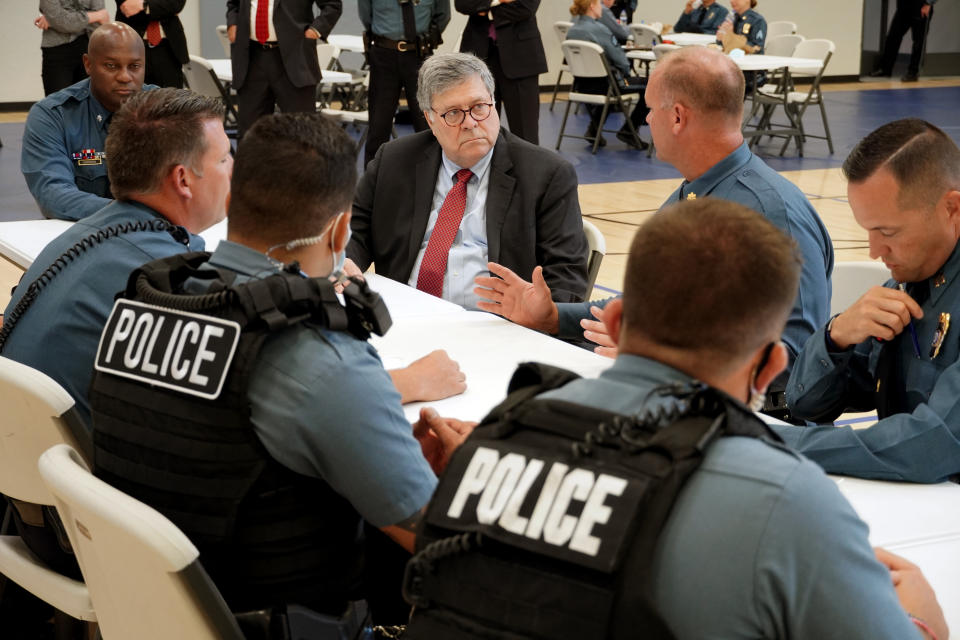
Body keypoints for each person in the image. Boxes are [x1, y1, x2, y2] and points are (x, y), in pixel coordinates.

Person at [412, 198, 949, 640]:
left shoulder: (500, 432)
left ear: (615, 322)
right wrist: (924, 623)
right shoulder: (784, 502)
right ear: (771, 365)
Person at [88, 112, 473, 627]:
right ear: (341, 232)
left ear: (231, 203)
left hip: (143, 607)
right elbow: (436, 542)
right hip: (274, 618)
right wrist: (475, 477)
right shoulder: (323, 359)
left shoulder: (147, 299)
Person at [476, 46, 832, 375]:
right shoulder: (692, 194)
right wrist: (552, 317)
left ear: (677, 117)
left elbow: (799, 361)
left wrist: (663, 361)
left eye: (650, 109)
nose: (646, 120)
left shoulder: (773, 214)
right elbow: (642, 310)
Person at [3, 88, 229, 427]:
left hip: (25, 453)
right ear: (183, 179)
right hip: (78, 470)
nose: (233, 169)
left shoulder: (78, 237)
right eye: (224, 158)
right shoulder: (166, 278)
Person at [775, 118, 960, 484]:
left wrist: (776, 443)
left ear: (951, 208)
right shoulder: (910, 282)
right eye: (869, 231)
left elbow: (933, 444)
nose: (875, 251)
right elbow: (808, 404)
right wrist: (836, 337)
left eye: (888, 232)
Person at [349, 52, 589, 309]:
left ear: (493, 102)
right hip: (407, 316)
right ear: (430, 118)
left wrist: (537, 311)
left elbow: (567, 280)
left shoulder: (546, 175)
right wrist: (343, 262)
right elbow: (354, 234)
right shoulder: (394, 161)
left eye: (479, 107)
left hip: (501, 327)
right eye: (453, 113)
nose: (470, 123)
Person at [20, 22, 147, 221]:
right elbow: (53, 194)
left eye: (134, 67)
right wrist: (131, 215)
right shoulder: (52, 115)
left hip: (155, 234)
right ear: (88, 64)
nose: (124, 77)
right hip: (78, 235)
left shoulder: (164, 111)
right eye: (111, 66)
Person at [226, 0, 342, 137]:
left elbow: (333, 5)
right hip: (251, 58)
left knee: (301, 132)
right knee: (250, 134)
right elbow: (233, 4)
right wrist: (232, 24)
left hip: (294, 57)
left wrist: (314, 31)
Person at [359, 0, 450, 167]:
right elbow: (366, 16)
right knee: (378, 126)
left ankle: (431, 181)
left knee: (426, 124)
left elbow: (443, 16)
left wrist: (425, 38)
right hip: (383, 55)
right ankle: (373, 184)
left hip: (418, 55)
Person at [455, 0, 546, 145]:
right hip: (478, 55)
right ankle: (484, 167)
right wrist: (497, 1)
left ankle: (527, 167)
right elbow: (462, 4)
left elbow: (526, 9)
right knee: (479, 125)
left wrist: (486, 9)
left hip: (521, 58)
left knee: (525, 131)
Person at [566, 0, 649, 150]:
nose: (601, 8)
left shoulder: (572, 31)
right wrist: (627, 74)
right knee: (650, 84)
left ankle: (594, 128)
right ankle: (629, 131)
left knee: (611, 88)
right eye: (599, 4)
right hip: (609, 84)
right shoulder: (600, 29)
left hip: (582, 85)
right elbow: (621, 60)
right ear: (592, 6)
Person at [34, 0, 109, 96]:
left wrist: (54, 21)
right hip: (57, 51)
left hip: (89, 47)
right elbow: (60, 19)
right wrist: (95, 16)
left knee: (88, 102)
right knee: (58, 104)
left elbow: (101, 20)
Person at [115, 0, 189, 88]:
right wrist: (164, 9)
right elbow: (128, 7)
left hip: (169, 48)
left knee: (172, 98)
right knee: (136, 97)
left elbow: (176, 4)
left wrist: (144, 5)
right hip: (134, 47)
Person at [869, 0, 937, 82]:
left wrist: (928, 3)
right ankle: (885, 69)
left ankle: (913, 72)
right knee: (893, 36)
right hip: (903, 6)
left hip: (921, 5)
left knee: (918, 41)